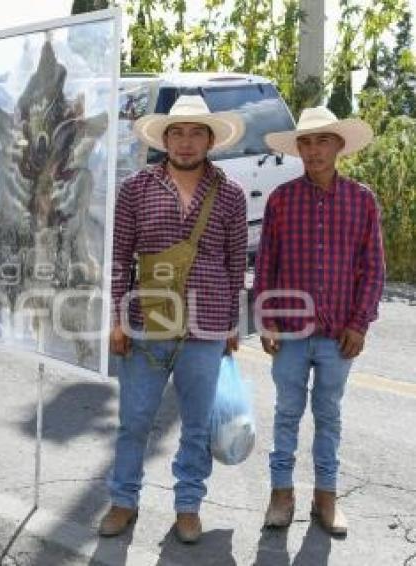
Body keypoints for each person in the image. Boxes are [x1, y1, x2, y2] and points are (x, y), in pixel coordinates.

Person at [102, 95, 248, 542]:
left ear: (210, 139)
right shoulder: (135, 189)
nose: (186, 142)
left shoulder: (230, 194)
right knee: (134, 421)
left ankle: (188, 504)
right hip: (146, 322)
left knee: (198, 425)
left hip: (205, 328)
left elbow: (235, 263)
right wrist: (116, 318)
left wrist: (230, 325)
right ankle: (123, 501)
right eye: (178, 133)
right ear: (164, 139)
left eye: (196, 132)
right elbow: (118, 257)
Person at [256, 106, 384, 538]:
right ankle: (281, 494)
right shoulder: (281, 199)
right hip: (290, 332)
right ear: (298, 149)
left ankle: (326, 497)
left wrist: (360, 323)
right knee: (286, 414)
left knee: (328, 415)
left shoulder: (362, 200)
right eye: (306, 142)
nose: (313, 150)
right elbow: (267, 265)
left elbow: (373, 268)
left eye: (322, 140)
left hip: (337, 335)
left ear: (339, 145)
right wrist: (266, 320)